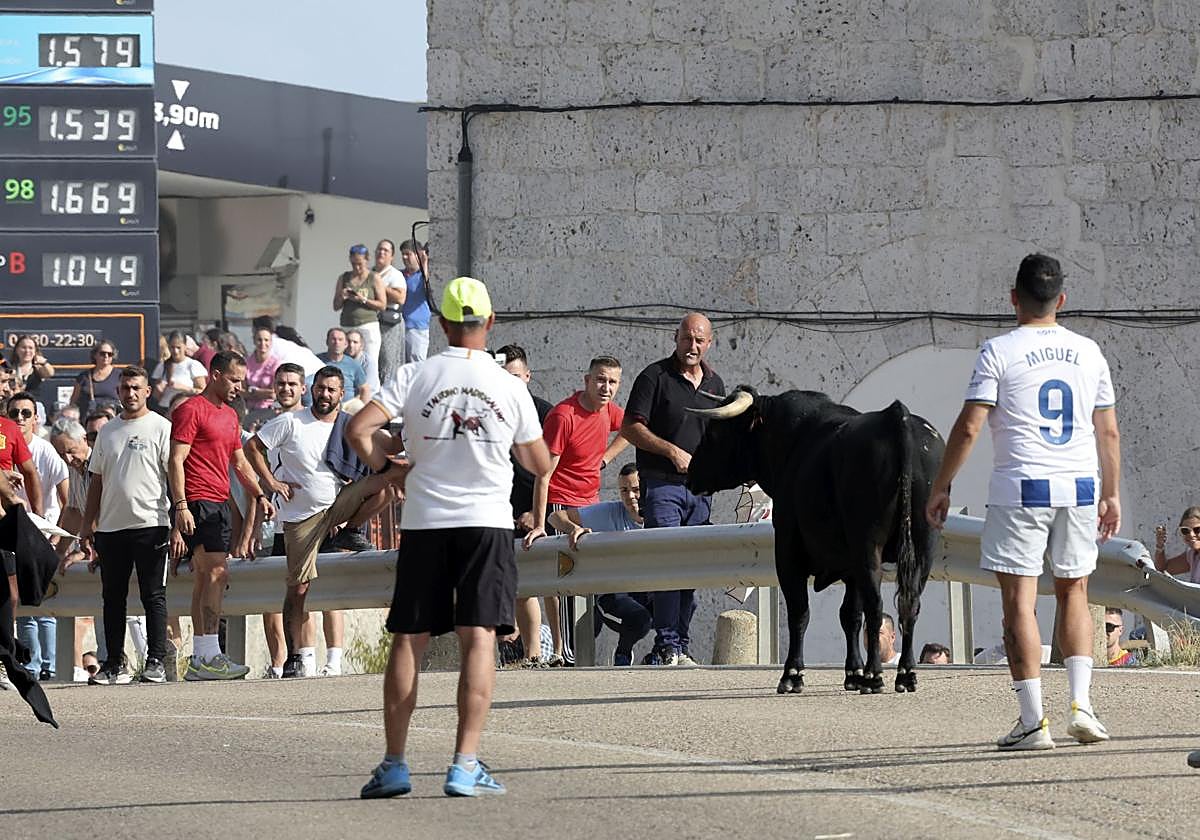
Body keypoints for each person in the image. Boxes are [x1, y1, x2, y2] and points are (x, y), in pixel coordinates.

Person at [348, 275, 551, 799]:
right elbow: (539, 461)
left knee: (409, 638)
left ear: (440, 323)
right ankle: (464, 763)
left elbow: (358, 431)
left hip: (425, 521)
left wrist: (389, 469)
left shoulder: (416, 373)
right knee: (479, 636)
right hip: (486, 521)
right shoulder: (510, 384)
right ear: (490, 322)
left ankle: (395, 763)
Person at [926, 253, 1121, 751]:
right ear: (1062, 300)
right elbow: (1109, 432)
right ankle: (1083, 706)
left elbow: (970, 426)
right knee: (1075, 592)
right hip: (1079, 486)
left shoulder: (999, 351)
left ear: (1013, 297)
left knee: (1021, 602)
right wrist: (1111, 492)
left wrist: (942, 484)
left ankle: (1033, 721)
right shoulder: (1090, 352)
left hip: (1021, 488)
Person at [245, 365, 392, 679]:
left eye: (331, 390)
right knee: (299, 589)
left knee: (387, 484)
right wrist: (271, 482)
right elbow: (252, 448)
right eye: (320, 388)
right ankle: (297, 656)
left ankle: (352, 532)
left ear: (341, 394)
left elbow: (384, 450)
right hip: (301, 519)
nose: (324, 394)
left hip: (337, 513)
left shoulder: (349, 427)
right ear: (311, 390)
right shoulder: (290, 422)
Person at [621, 313, 725, 667]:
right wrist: (671, 451)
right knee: (667, 562)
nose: (691, 346)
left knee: (690, 570)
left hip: (700, 492)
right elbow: (631, 428)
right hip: (662, 486)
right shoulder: (655, 376)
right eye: (686, 339)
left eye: (699, 340)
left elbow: (718, 438)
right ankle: (666, 645)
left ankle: (680, 643)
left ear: (710, 342)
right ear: (675, 338)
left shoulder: (715, 384)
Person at [168, 350, 272, 681]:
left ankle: (202, 657)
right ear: (215, 375)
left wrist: (258, 493)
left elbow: (239, 462)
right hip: (199, 502)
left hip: (220, 502)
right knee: (216, 573)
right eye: (234, 379)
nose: (239, 387)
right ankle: (210, 654)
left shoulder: (229, 415)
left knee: (205, 577)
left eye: (242, 381)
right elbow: (175, 459)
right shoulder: (190, 409)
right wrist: (181, 505)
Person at [523, 355, 629, 666]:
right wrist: (540, 523)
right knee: (562, 579)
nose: (605, 387)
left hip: (590, 506)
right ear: (586, 380)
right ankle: (563, 651)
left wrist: (606, 457)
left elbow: (632, 428)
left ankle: (569, 650)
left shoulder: (608, 411)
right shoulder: (563, 416)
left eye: (612, 382)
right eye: (600, 379)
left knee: (584, 581)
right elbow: (543, 473)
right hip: (561, 505)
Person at [78, 366, 173, 685]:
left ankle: (156, 660)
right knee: (113, 597)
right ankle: (114, 663)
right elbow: (97, 480)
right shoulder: (107, 431)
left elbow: (173, 475)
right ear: (117, 392)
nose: (130, 393)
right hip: (110, 528)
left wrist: (179, 517)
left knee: (152, 594)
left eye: (136, 387)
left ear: (147, 391)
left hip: (151, 523)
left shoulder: (161, 427)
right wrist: (88, 524)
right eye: (124, 388)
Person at [547, 463, 653, 666]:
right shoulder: (611, 511)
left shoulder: (661, 514)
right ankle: (622, 654)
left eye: (636, 489)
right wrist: (574, 528)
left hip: (647, 589)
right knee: (639, 621)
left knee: (682, 604)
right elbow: (555, 517)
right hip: (613, 593)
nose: (630, 496)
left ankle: (663, 653)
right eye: (624, 490)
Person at [498, 344, 552, 668]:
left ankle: (533, 655)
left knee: (528, 584)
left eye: (516, 377)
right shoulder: (489, 415)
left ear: (528, 377)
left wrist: (537, 512)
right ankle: (512, 649)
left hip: (535, 510)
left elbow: (553, 469)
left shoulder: (545, 413)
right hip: (498, 510)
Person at [9, 391, 68, 680]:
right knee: (25, 604)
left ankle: (50, 665)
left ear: (36, 418)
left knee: (45, 603)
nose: (20, 418)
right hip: (12, 532)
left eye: (26, 413)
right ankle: (30, 665)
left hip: (43, 531)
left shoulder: (45, 450)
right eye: (14, 413)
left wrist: (59, 534)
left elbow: (66, 493)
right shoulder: (4, 445)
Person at [332, 244, 386, 392]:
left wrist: (363, 300)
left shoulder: (373, 278)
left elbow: (382, 304)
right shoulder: (344, 278)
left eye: (360, 264)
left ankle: (371, 392)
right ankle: (349, 390)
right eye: (354, 264)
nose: (357, 268)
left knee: (370, 361)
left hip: (368, 325)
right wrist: (342, 297)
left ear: (367, 260)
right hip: (348, 324)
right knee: (347, 358)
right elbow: (335, 306)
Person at [152, 332, 207, 413]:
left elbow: (203, 392)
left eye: (178, 347)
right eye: (172, 347)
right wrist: (159, 389)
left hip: (186, 409)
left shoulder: (193, 365)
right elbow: (155, 396)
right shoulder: (162, 366)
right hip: (165, 410)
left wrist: (183, 388)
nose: (175, 351)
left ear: (185, 346)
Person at [375, 239, 407, 378]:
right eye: (379, 249)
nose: (381, 252)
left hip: (389, 324)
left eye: (386, 250)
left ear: (391, 256)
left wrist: (380, 285)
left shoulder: (395, 275)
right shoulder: (369, 273)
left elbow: (400, 298)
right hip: (371, 322)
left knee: (388, 361)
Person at [70, 340, 121, 417]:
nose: (106, 356)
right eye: (102, 353)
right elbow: (73, 402)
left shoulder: (120, 376)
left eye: (110, 354)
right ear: (95, 355)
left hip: (112, 421)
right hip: (88, 420)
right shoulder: (84, 376)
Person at [317, 328, 368, 403]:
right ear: (327, 342)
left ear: (345, 344)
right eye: (333, 339)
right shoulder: (316, 361)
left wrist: (363, 411)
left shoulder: (354, 365)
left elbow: (365, 389)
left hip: (346, 410)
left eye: (340, 340)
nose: (337, 342)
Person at [8, 336, 54, 418]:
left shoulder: (38, 368)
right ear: (17, 350)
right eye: (23, 347)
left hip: (35, 407)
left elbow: (50, 373)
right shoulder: (9, 368)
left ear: (35, 351)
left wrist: (43, 362)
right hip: (13, 407)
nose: (27, 351)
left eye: (30, 348)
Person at [402, 239, 431, 363]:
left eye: (408, 254)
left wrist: (424, 264)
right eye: (403, 254)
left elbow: (427, 288)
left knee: (416, 365)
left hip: (417, 328)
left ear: (418, 254)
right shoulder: (399, 274)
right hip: (399, 326)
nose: (404, 257)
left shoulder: (424, 275)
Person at [1151, 507, 1200, 583]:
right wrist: (1160, 545)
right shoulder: (1192, 554)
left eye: (1197, 530)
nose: (1191, 534)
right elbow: (1162, 570)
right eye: (1185, 530)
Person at [244, 326, 282, 412]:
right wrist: (263, 393)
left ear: (271, 342)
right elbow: (241, 392)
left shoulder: (276, 363)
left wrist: (251, 391)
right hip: (248, 410)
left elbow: (273, 394)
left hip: (268, 410)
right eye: (259, 340)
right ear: (254, 341)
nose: (262, 343)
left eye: (266, 340)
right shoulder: (247, 362)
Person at [346, 328, 380, 399]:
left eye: (355, 342)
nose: (351, 345)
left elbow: (368, 390)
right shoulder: (340, 359)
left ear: (361, 346)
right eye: (348, 341)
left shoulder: (368, 362)